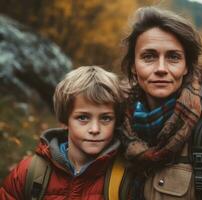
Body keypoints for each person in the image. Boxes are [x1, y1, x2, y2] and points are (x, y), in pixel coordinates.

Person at [120, 7, 202, 200]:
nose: (161, 68)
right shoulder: (116, 129)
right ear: (133, 67)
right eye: (149, 56)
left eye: (173, 57)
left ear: (187, 67)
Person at [0, 66, 125, 199]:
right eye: (83, 117)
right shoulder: (28, 173)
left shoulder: (126, 178)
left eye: (106, 118)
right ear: (65, 121)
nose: (95, 129)